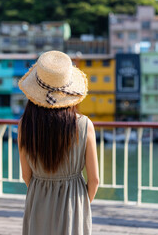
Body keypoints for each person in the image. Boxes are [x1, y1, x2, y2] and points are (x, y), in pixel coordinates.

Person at [18, 51, 99, 235]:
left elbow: (25, 175)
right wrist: (81, 204)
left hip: (38, 198)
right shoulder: (84, 125)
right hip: (74, 201)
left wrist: (43, 191)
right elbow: (94, 180)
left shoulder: (24, 125)